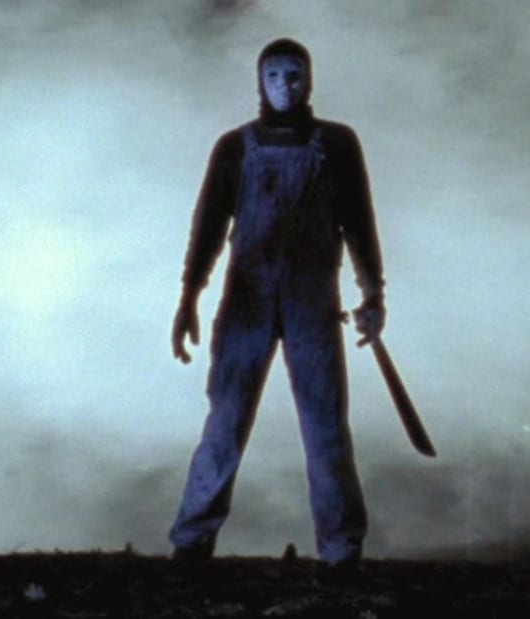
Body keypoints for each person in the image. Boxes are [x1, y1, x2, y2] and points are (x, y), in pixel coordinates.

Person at [168, 37, 387, 566]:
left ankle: (341, 549)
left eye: (294, 75)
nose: (284, 86)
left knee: (325, 425)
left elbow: (359, 221)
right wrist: (189, 296)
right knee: (225, 421)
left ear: (309, 80)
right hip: (246, 301)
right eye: (274, 75)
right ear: (259, 82)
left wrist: (372, 291)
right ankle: (192, 541)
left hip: (314, 301)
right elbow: (208, 226)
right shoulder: (234, 148)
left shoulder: (337, 144)